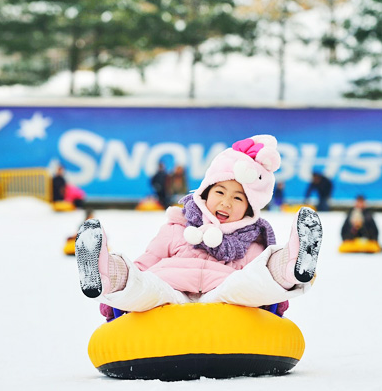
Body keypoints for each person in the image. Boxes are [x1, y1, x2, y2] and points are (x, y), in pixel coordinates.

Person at [75, 135, 323, 318]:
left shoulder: (251, 241)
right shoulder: (176, 226)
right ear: (205, 193)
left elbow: (256, 280)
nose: (226, 202)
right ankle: (104, 271)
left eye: (238, 198)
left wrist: (274, 297)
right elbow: (146, 262)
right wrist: (120, 296)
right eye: (220, 192)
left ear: (249, 208)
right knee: (143, 286)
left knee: (252, 281)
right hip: (169, 291)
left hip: (223, 296)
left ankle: (292, 264)